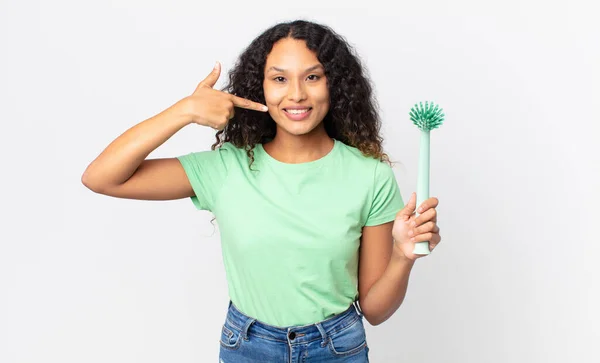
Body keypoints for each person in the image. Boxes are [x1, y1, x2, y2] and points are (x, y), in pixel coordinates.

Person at [82, 19, 441, 362]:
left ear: (335, 85)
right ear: (260, 87)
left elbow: (376, 311)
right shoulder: (226, 167)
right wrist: (185, 110)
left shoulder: (370, 176)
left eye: (313, 77)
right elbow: (102, 177)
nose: (297, 94)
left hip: (337, 349)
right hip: (248, 348)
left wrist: (402, 256)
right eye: (280, 78)